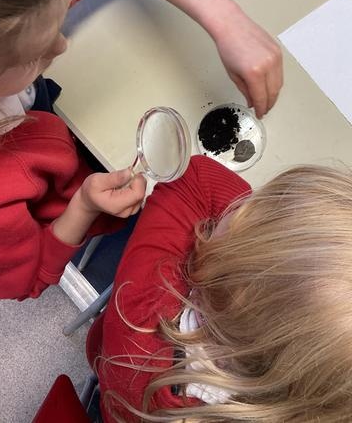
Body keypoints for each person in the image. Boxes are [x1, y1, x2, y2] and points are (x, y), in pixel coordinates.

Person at [0, 0, 281, 300]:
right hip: (60, 197)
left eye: (58, 19)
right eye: (36, 53)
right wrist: (82, 208)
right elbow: (27, 280)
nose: (62, 45)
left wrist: (227, 20)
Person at [87, 155, 352, 422]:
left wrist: (270, 231)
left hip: (113, 378)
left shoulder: (144, 310)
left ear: (219, 277)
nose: (240, 205)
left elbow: (196, 176)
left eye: (249, 209)